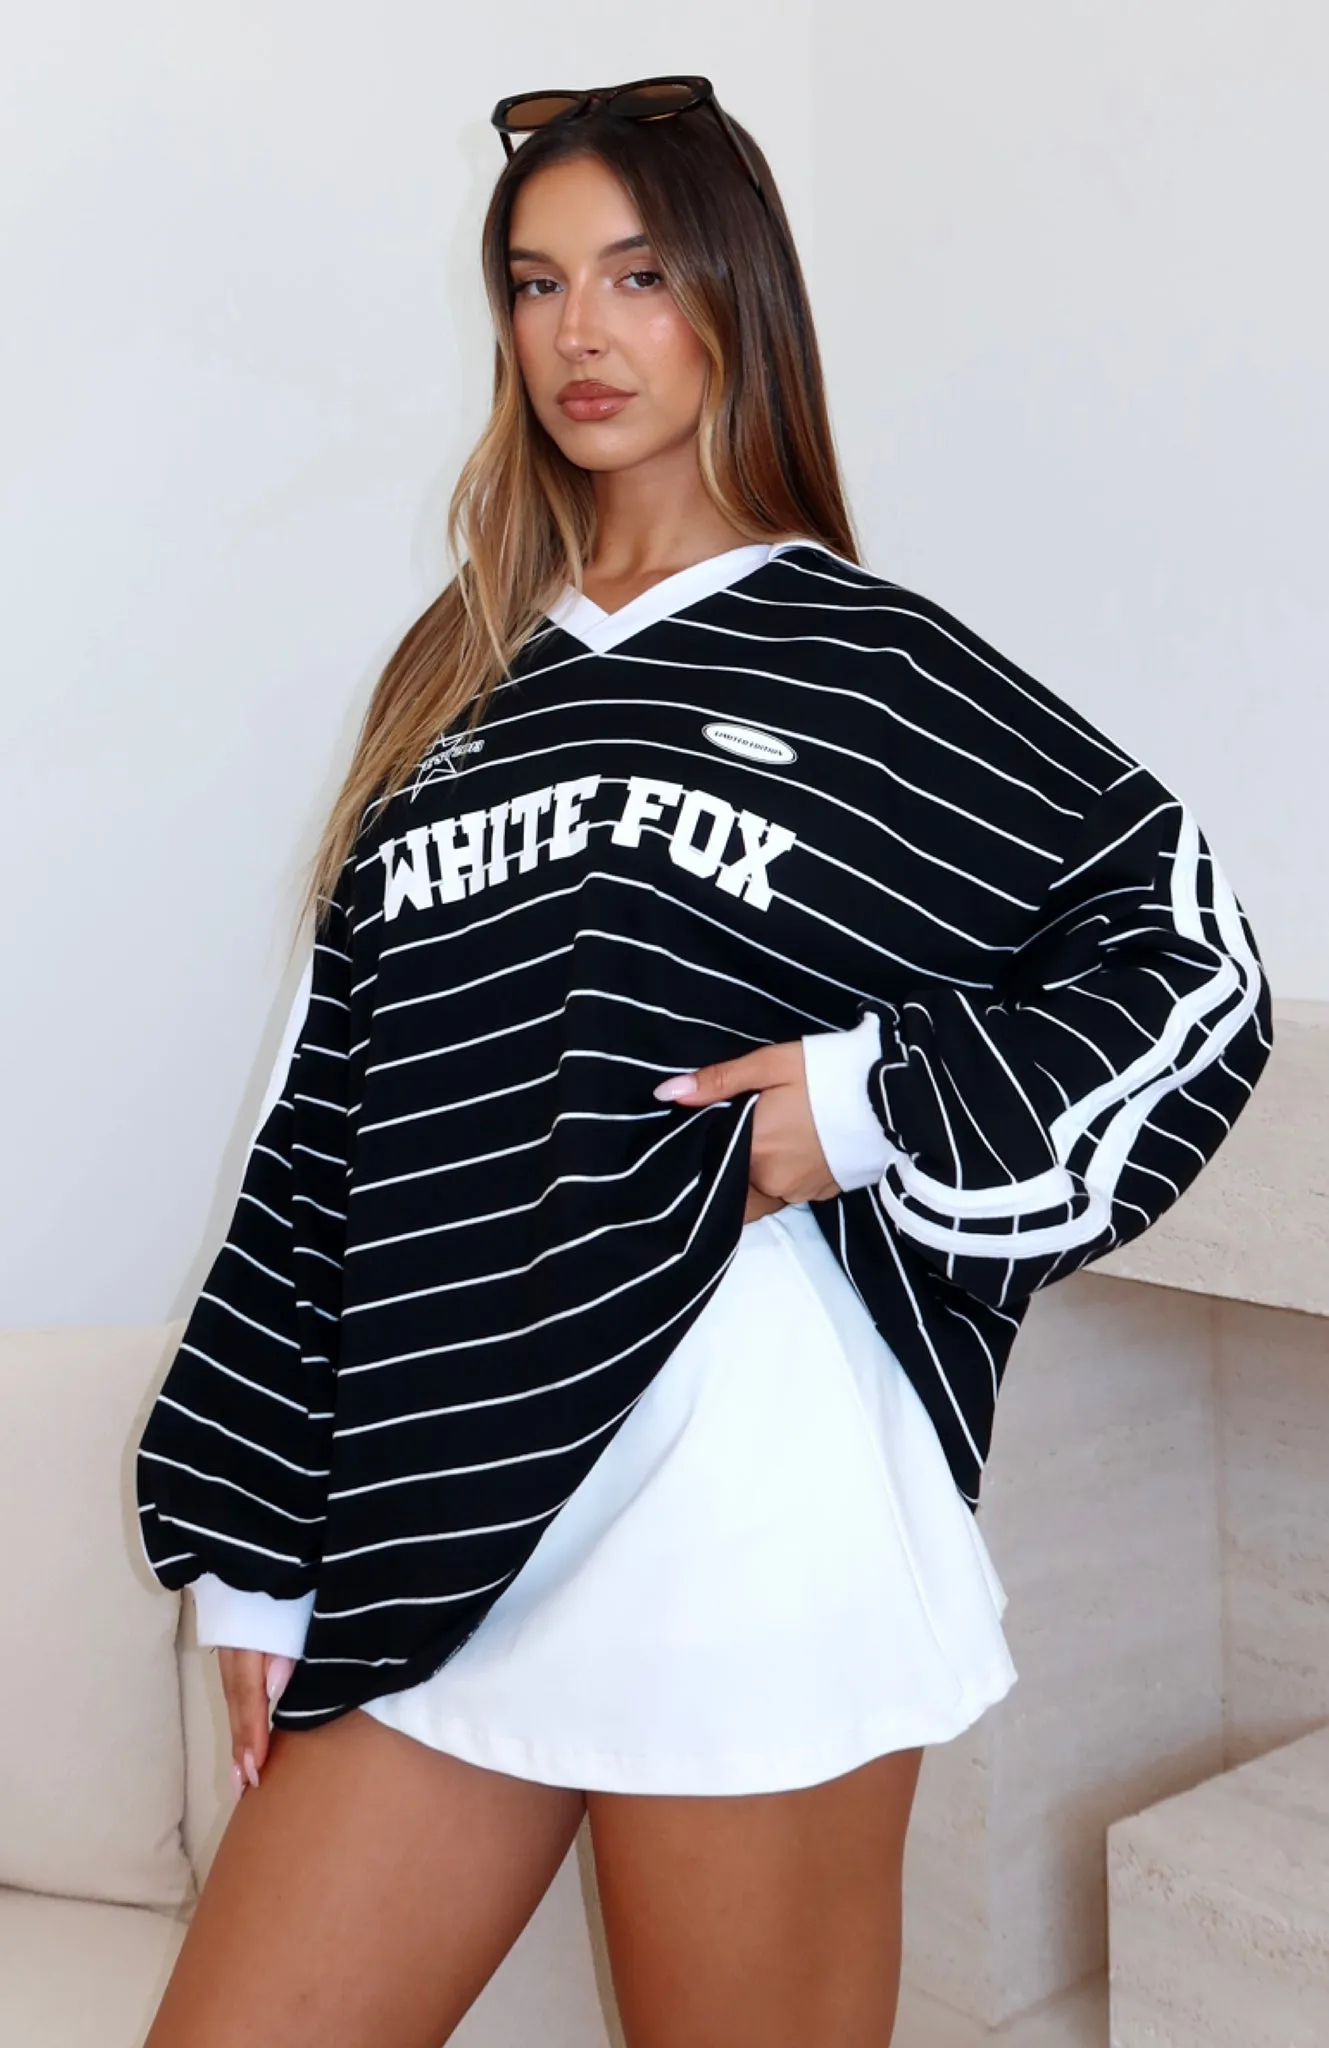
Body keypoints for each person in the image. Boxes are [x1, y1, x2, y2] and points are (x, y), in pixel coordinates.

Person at [134, 77, 1271, 2048]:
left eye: (639, 275)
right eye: (536, 282)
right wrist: (252, 1550)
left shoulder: (870, 665)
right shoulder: (453, 683)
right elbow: (323, 1122)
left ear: (736, 298)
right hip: (440, 1502)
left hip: (745, 1502)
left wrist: (862, 1107)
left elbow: (1188, 957)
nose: (581, 331)